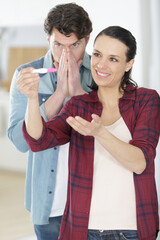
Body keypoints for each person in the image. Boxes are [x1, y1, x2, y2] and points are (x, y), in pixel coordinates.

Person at [21, 26, 159, 240]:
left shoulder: (146, 100)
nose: (101, 65)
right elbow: (38, 140)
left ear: (129, 64)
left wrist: (100, 133)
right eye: (97, 54)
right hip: (83, 230)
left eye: (113, 59)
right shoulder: (79, 106)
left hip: (133, 230)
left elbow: (140, 162)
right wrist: (31, 99)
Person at [8, 3, 93, 240]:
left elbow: (107, 133)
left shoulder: (100, 73)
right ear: (47, 38)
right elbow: (20, 142)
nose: (66, 55)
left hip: (93, 202)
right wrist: (58, 96)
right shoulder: (27, 74)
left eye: (74, 45)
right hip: (48, 205)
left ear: (87, 39)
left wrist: (76, 91)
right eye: (58, 45)